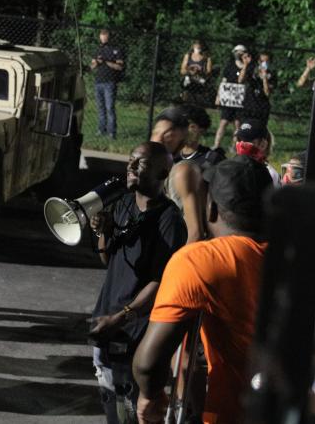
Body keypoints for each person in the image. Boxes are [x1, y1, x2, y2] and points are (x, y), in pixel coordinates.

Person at [133, 155, 272, 424]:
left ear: (211, 209)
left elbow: (148, 363)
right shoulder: (303, 256)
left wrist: (149, 396)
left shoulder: (200, 261)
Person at [87, 141, 186, 423]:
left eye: (141, 163)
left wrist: (121, 318)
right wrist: (103, 233)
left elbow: (160, 282)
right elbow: (109, 261)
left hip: (132, 330)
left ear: (163, 174)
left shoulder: (169, 220)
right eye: (130, 160)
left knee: (126, 407)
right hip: (108, 321)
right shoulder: (123, 204)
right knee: (111, 403)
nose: (130, 167)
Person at [158, 105, 225, 243]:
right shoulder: (170, 158)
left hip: (199, 228)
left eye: (191, 126)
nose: (186, 131)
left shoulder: (212, 159)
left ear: (202, 129)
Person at [90, 29, 126, 139]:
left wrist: (106, 61)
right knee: (100, 108)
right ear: (100, 37)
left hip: (110, 82)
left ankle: (112, 132)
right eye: (102, 37)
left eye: (105, 36)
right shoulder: (98, 50)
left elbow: (119, 67)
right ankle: (101, 130)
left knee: (109, 107)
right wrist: (96, 63)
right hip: (98, 82)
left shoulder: (116, 50)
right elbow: (92, 66)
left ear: (109, 37)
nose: (104, 39)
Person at [212, 44, 247, 150]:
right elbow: (224, 82)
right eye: (237, 52)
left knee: (237, 124)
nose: (239, 54)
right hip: (228, 98)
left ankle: (234, 146)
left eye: (241, 52)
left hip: (240, 99)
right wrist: (218, 96)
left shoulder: (248, 67)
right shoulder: (229, 66)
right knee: (223, 122)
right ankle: (217, 144)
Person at [234, 119, 280, 186]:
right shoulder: (231, 168)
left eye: (248, 140)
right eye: (240, 139)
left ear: (263, 144)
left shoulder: (269, 174)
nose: (241, 144)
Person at [239, 50, 276, 126]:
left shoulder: (272, 74)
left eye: (266, 61)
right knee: (244, 131)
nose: (264, 63)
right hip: (249, 105)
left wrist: (264, 78)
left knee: (259, 133)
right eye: (262, 61)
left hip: (262, 107)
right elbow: (240, 80)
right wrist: (245, 64)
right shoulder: (252, 69)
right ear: (259, 61)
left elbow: (267, 93)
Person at [179, 41, 213, 106]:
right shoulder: (188, 56)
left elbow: (209, 72)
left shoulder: (207, 58)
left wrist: (200, 71)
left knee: (198, 100)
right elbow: (182, 71)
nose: (197, 47)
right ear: (193, 46)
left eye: (199, 45)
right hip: (189, 79)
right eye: (196, 45)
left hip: (200, 80)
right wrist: (190, 70)